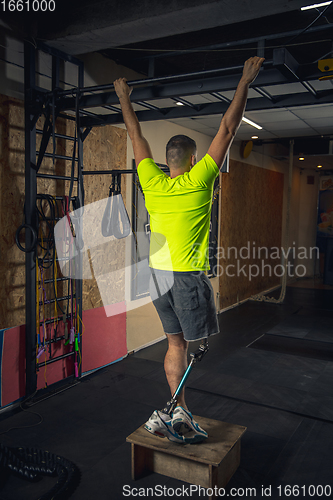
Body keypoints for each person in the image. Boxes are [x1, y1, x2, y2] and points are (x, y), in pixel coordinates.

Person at [114, 56, 264, 444]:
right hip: (184, 277)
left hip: (156, 275)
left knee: (175, 343)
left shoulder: (151, 180)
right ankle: (173, 411)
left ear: (166, 162)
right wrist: (245, 81)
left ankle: (176, 408)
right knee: (200, 346)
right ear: (193, 160)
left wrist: (124, 99)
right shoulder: (200, 181)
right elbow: (229, 128)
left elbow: (136, 135)